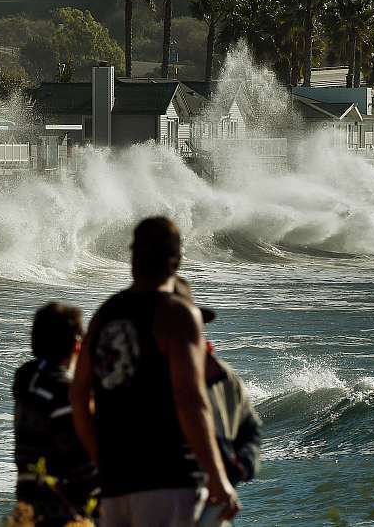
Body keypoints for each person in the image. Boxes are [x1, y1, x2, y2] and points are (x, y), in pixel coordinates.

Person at [70, 216, 240, 527]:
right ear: (176, 259)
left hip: (115, 488)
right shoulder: (176, 313)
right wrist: (217, 477)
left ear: (133, 256)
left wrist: (102, 459)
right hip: (168, 480)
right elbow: (189, 399)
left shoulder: (104, 315)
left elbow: (79, 397)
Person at [13, 302, 99, 526]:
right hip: (62, 509)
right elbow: (78, 460)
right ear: (76, 346)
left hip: (28, 499)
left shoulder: (27, 381)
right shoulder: (64, 392)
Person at [174, 278, 262, 488]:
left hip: (209, 498)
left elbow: (250, 426)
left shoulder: (223, 374)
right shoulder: (141, 372)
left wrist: (242, 466)